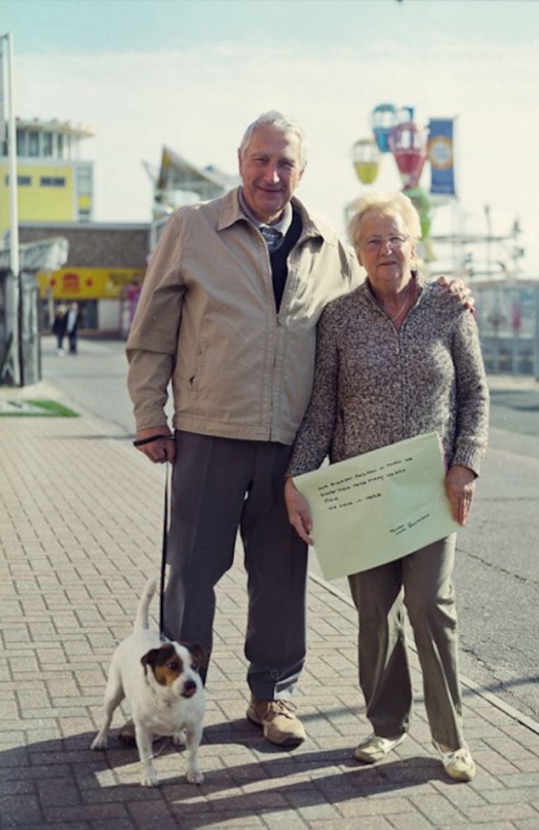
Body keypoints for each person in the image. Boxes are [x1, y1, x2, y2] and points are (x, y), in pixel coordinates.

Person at [125, 112, 470, 749]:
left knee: (281, 578)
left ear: (301, 173)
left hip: (292, 447)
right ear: (240, 160)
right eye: (261, 160)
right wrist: (151, 418)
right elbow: (150, 335)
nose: (271, 174)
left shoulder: (329, 247)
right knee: (190, 574)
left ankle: (273, 696)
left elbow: (384, 285)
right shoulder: (191, 228)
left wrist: (442, 287)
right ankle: (164, 700)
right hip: (209, 430)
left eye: (285, 164)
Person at [284, 192, 489, 782]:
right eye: (372, 240)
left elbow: (474, 394)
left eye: (396, 237)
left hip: (430, 489)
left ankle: (451, 739)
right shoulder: (340, 318)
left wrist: (465, 466)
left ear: (415, 242)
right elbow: (322, 409)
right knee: (375, 614)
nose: (386, 249)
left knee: (429, 605)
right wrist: (297, 480)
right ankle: (385, 727)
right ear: (358, 251)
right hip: (362, 492)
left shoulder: (448, 307)